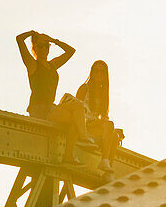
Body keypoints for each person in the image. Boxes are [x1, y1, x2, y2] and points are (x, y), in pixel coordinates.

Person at [15, 30, 88, 164]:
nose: (43, 49)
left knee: (77, 111)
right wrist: (31, 33)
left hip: (51, 108)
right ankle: (83, 139)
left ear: (49, 47)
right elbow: (19, 39)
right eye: (39, 46)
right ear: (34, 48)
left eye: (45, 45)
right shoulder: (32, 65)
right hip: (39, 109)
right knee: (75, 119)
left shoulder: (53, 65)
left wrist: (54, 40)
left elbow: (71, 51)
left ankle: (72, 151)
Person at [76, 60, 121, 173]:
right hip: (83, 124)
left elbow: (104, 117)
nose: (99, 74)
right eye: (96, 71)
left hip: (94, 125)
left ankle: (107, 169)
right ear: (92, 72)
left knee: (115, 136)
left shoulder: (103, 93)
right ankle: (104, 160)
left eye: (102, 72)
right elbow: (76, 108)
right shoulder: (84, 88)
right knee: (110, 125)